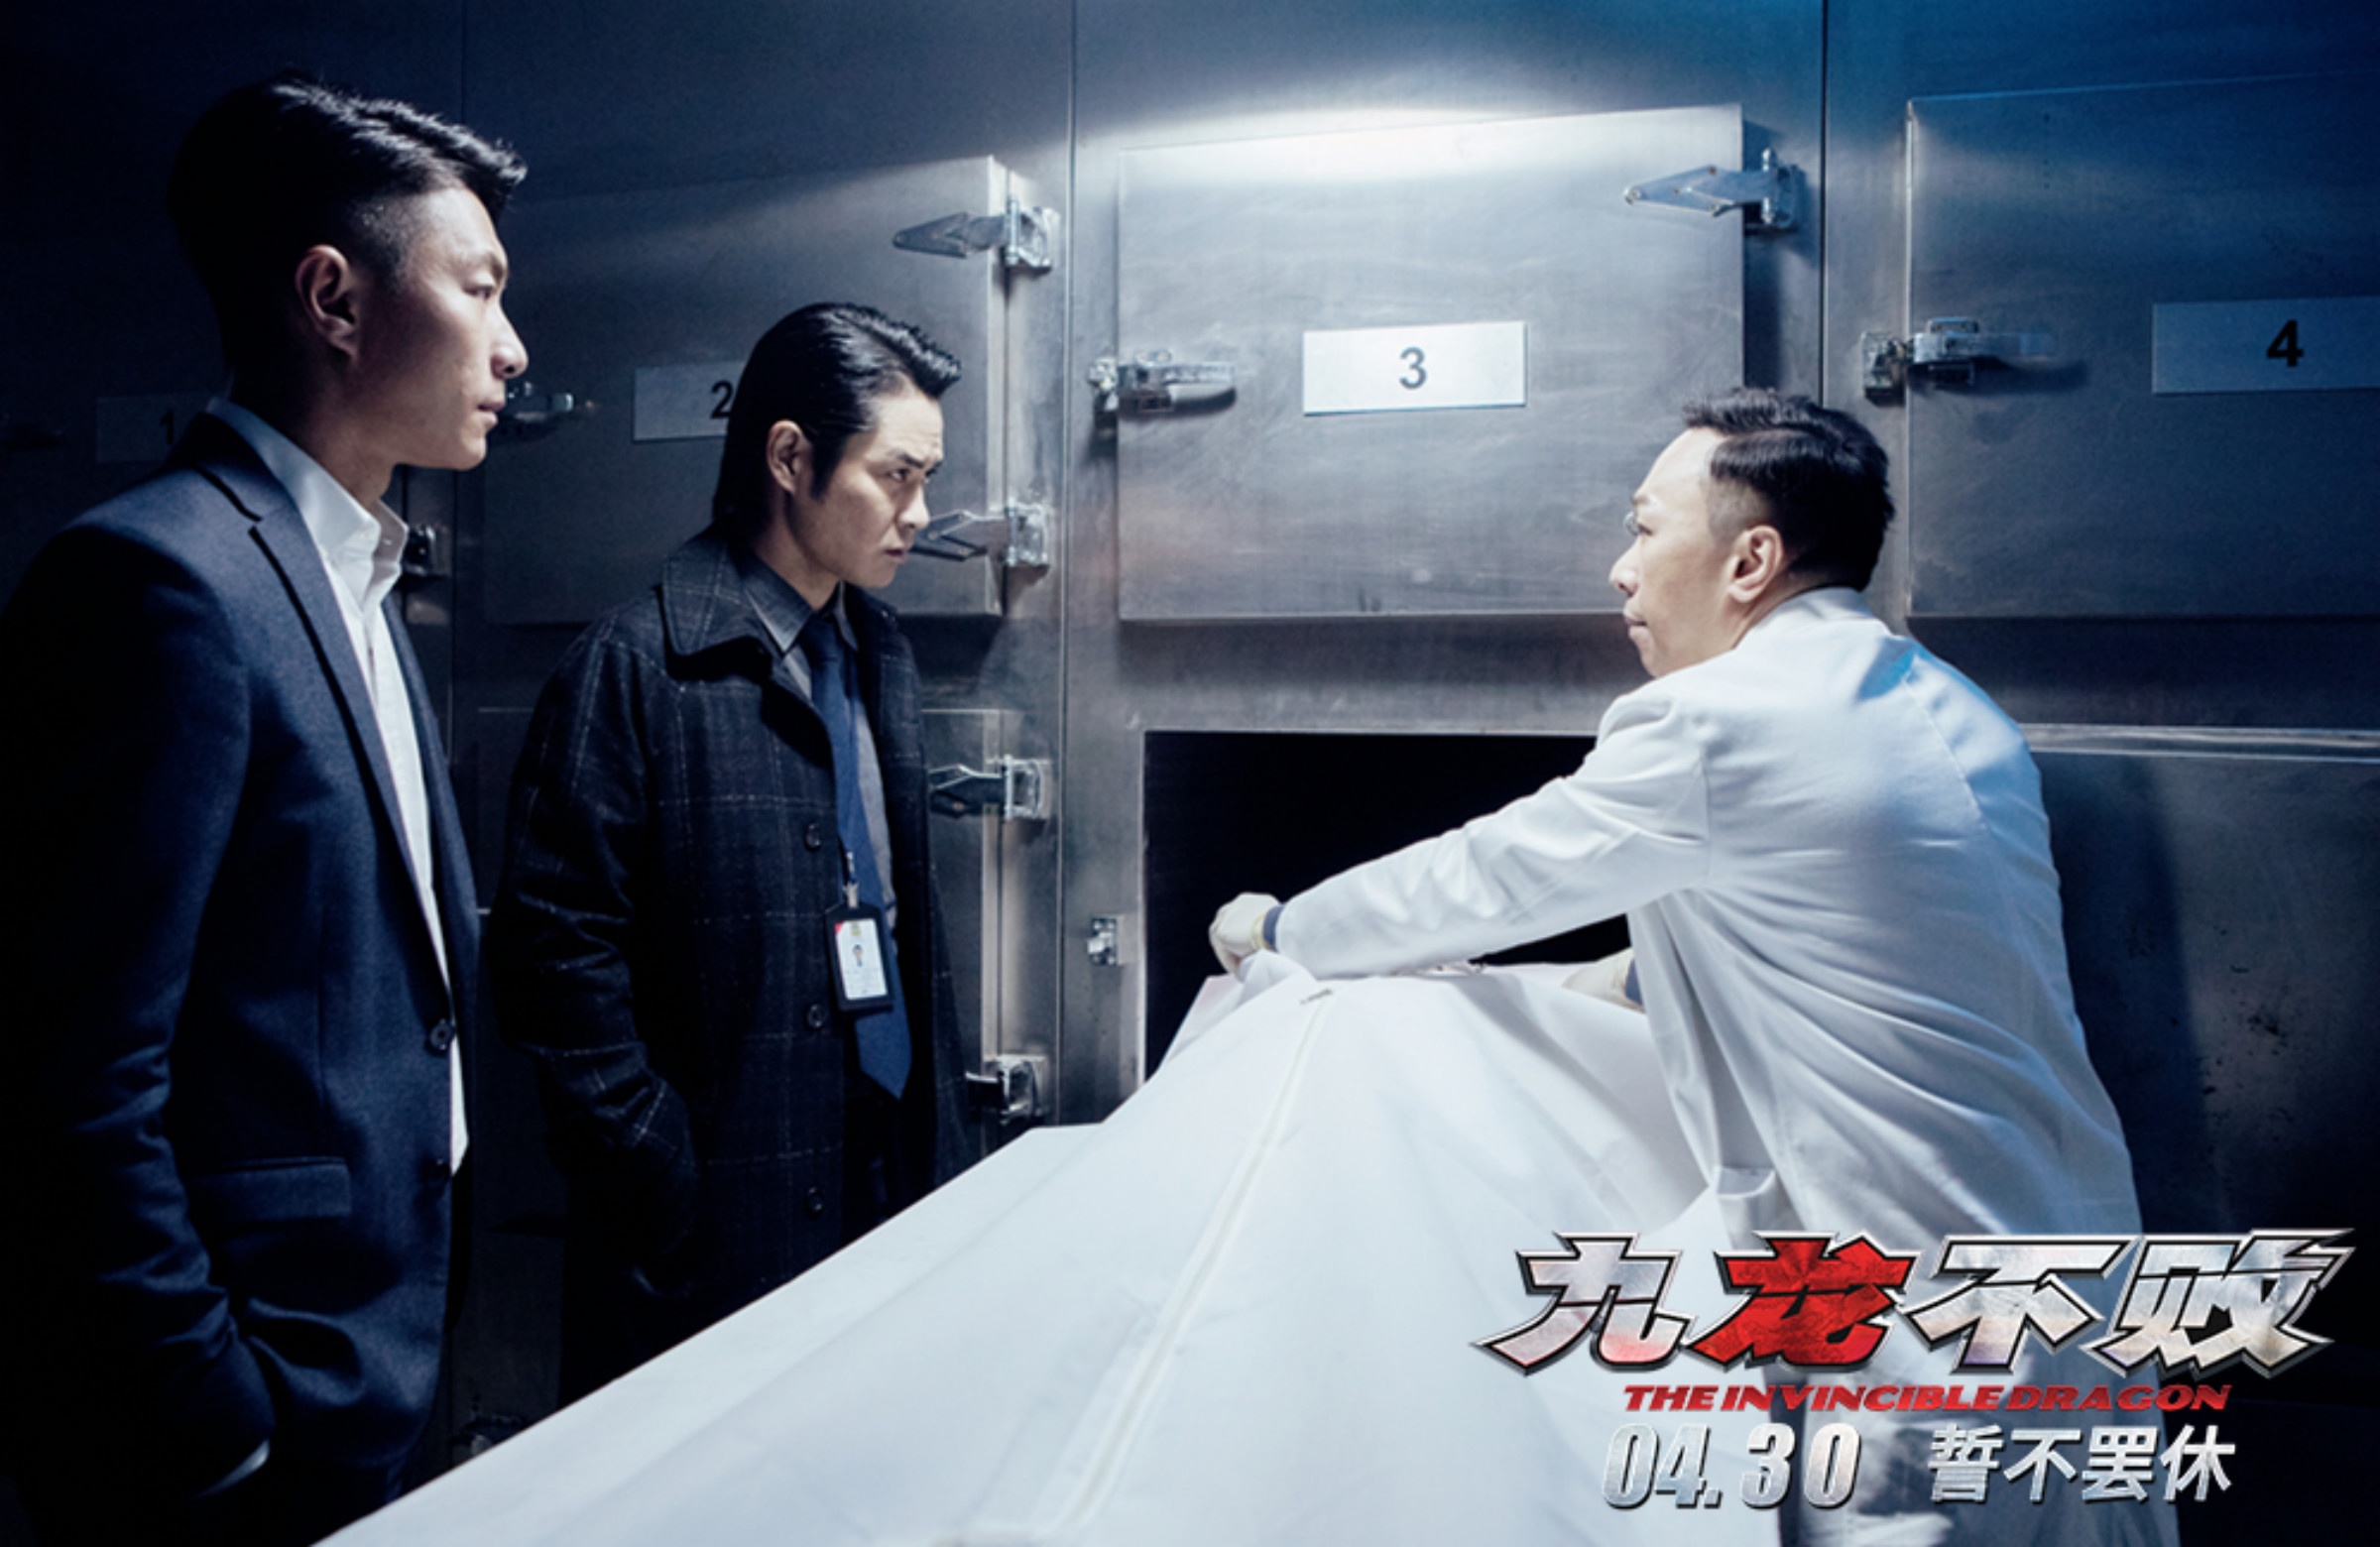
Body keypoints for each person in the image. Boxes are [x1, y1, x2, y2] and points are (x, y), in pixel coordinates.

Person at [1211, 389, 2165, 1545]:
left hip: (1906, 1332)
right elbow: (1828, 951)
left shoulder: (1719, 718)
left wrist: (1281, 931)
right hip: (2076, 1301)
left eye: (1644, 527)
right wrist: (1586, 983)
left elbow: (1482, 879)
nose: (1621, 571)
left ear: (1750, 561)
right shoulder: (1946, 704)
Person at [0, 74, 525, 1545]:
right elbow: (67, 1073)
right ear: (333, 299)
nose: (512, 345)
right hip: (242, 1416)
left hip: (375, 1359)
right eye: (479, 288)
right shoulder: (158, 581)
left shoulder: (357, 574)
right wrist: (207, 1421)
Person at [492, 302, 979, 1401]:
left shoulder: (879, 653)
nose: (920, 513)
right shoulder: (634, 667)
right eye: (896, 477)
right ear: (791, 459)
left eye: (927, 479)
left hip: (886, 1185)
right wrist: (666, 1179)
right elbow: (551, 968)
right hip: (715, 1230)